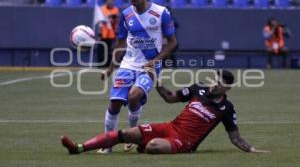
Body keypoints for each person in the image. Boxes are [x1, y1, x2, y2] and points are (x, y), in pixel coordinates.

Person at [61, 70, 270, 154]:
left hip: (184, 142)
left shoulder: (227, 108)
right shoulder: (198, 89)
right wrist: (157, 80)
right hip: (170, 127)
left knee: (151, 146)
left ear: (228, 88)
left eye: (220, 84)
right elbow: (170, 98)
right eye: (215, 80)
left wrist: (252, 150)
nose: (215, 85)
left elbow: (235, 137)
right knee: (124, 134)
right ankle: (79, 148)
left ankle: (141, 146)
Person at [97, 0, 177, 153]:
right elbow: (119, 45)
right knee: (115, 103)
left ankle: (132, 135)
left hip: (149, 67)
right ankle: (107, 144)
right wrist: (110, 69)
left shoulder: (161, 13)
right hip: (127, 65)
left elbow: (172, 42)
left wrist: (156, 60)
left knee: (133, 97)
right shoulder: (126, 15)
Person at [94, 0, 119, 67]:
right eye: (109, 0)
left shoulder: (115, 9)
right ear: (106, 1)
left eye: (111, 0)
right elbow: (100, 20)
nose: (110, 2)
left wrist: (113, 18)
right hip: (103, 33)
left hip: (112, 33)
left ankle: (109, 65)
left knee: (110, 50)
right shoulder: (102, 9)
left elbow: (116, 20)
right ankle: (100, 64)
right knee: (101, 49)